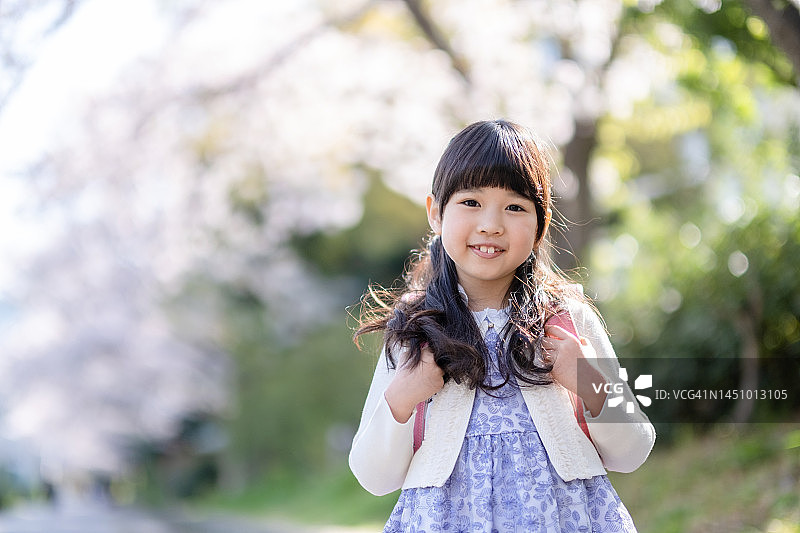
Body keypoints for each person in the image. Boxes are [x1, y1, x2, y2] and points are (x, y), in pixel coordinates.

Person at [349, 119, 655, 532]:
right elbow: (373, 477)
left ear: (540, 224)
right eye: (471, 202)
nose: (491, 224)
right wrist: (401, 399)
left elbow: (633, 450)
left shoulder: (564, 318)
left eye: (514, 207)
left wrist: (587, 379)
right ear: (436, 213)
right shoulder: (416, 330)